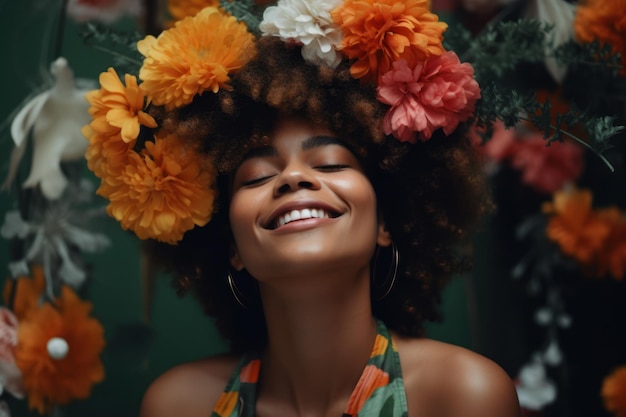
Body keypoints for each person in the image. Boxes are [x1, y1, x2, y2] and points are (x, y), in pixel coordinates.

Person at [83, 1, 521, 416]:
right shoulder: (178, 405)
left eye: (330, 163)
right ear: (231, 244)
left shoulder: (464, 396)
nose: (293, 178)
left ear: (386, 221)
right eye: (256, 176)